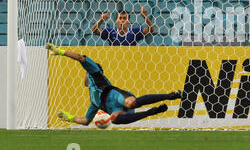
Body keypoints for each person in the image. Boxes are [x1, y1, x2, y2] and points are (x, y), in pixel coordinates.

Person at [45, 43, 182, 126]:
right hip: (121, 112)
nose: (84, 76)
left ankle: (170, 96)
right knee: (114, 119)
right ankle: (151, 112)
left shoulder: (95, 73)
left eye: (85, 73)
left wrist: (60, 52)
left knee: (131, 103)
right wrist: (69, 118)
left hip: (117, 96)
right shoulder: (94, 102)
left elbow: (81, 58)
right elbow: (86, 121)